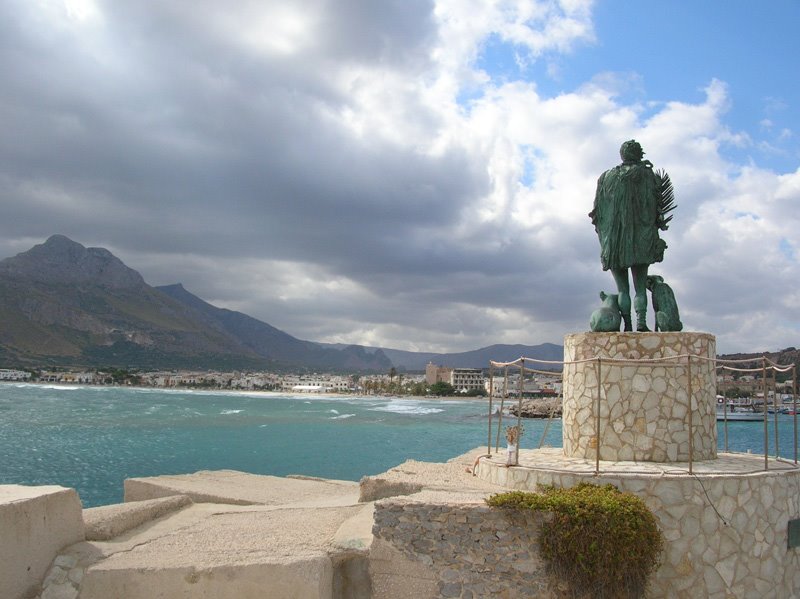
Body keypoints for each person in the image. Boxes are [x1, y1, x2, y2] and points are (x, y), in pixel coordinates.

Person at [589, 140, 672, 332]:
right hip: (641, 239)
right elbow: (656, 208)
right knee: (640, 287)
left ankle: (627, 325)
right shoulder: (647, 175)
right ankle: (641, 323)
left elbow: (597, 214)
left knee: (622, 290)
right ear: (638, 155)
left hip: (614, 242)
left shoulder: (605, 177)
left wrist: (606, 239)